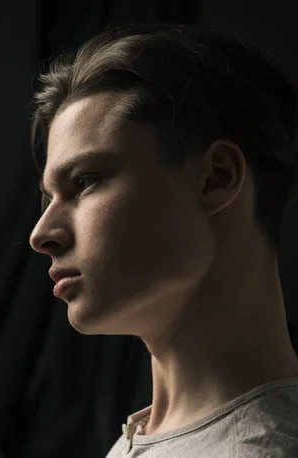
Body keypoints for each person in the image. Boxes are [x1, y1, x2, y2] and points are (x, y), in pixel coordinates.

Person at [28, 24, 298, 457]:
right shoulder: (143, 439)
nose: (41, 234)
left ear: (216, 178)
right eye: (49, 197)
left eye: (86, 181)